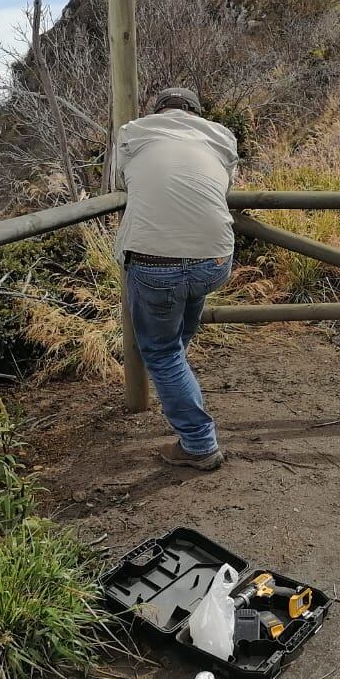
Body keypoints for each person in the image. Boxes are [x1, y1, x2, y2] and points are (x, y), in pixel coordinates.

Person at [113, 87, 239, 471]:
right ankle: (176, 381)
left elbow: (120, 185)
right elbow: (225, 187)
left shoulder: (133, 134)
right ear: (196, 114)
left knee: (162, 351)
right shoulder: (220, 138)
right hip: (215, 259)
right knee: (175, 339)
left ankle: (199, 444)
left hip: (155, 263)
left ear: (159, 111)